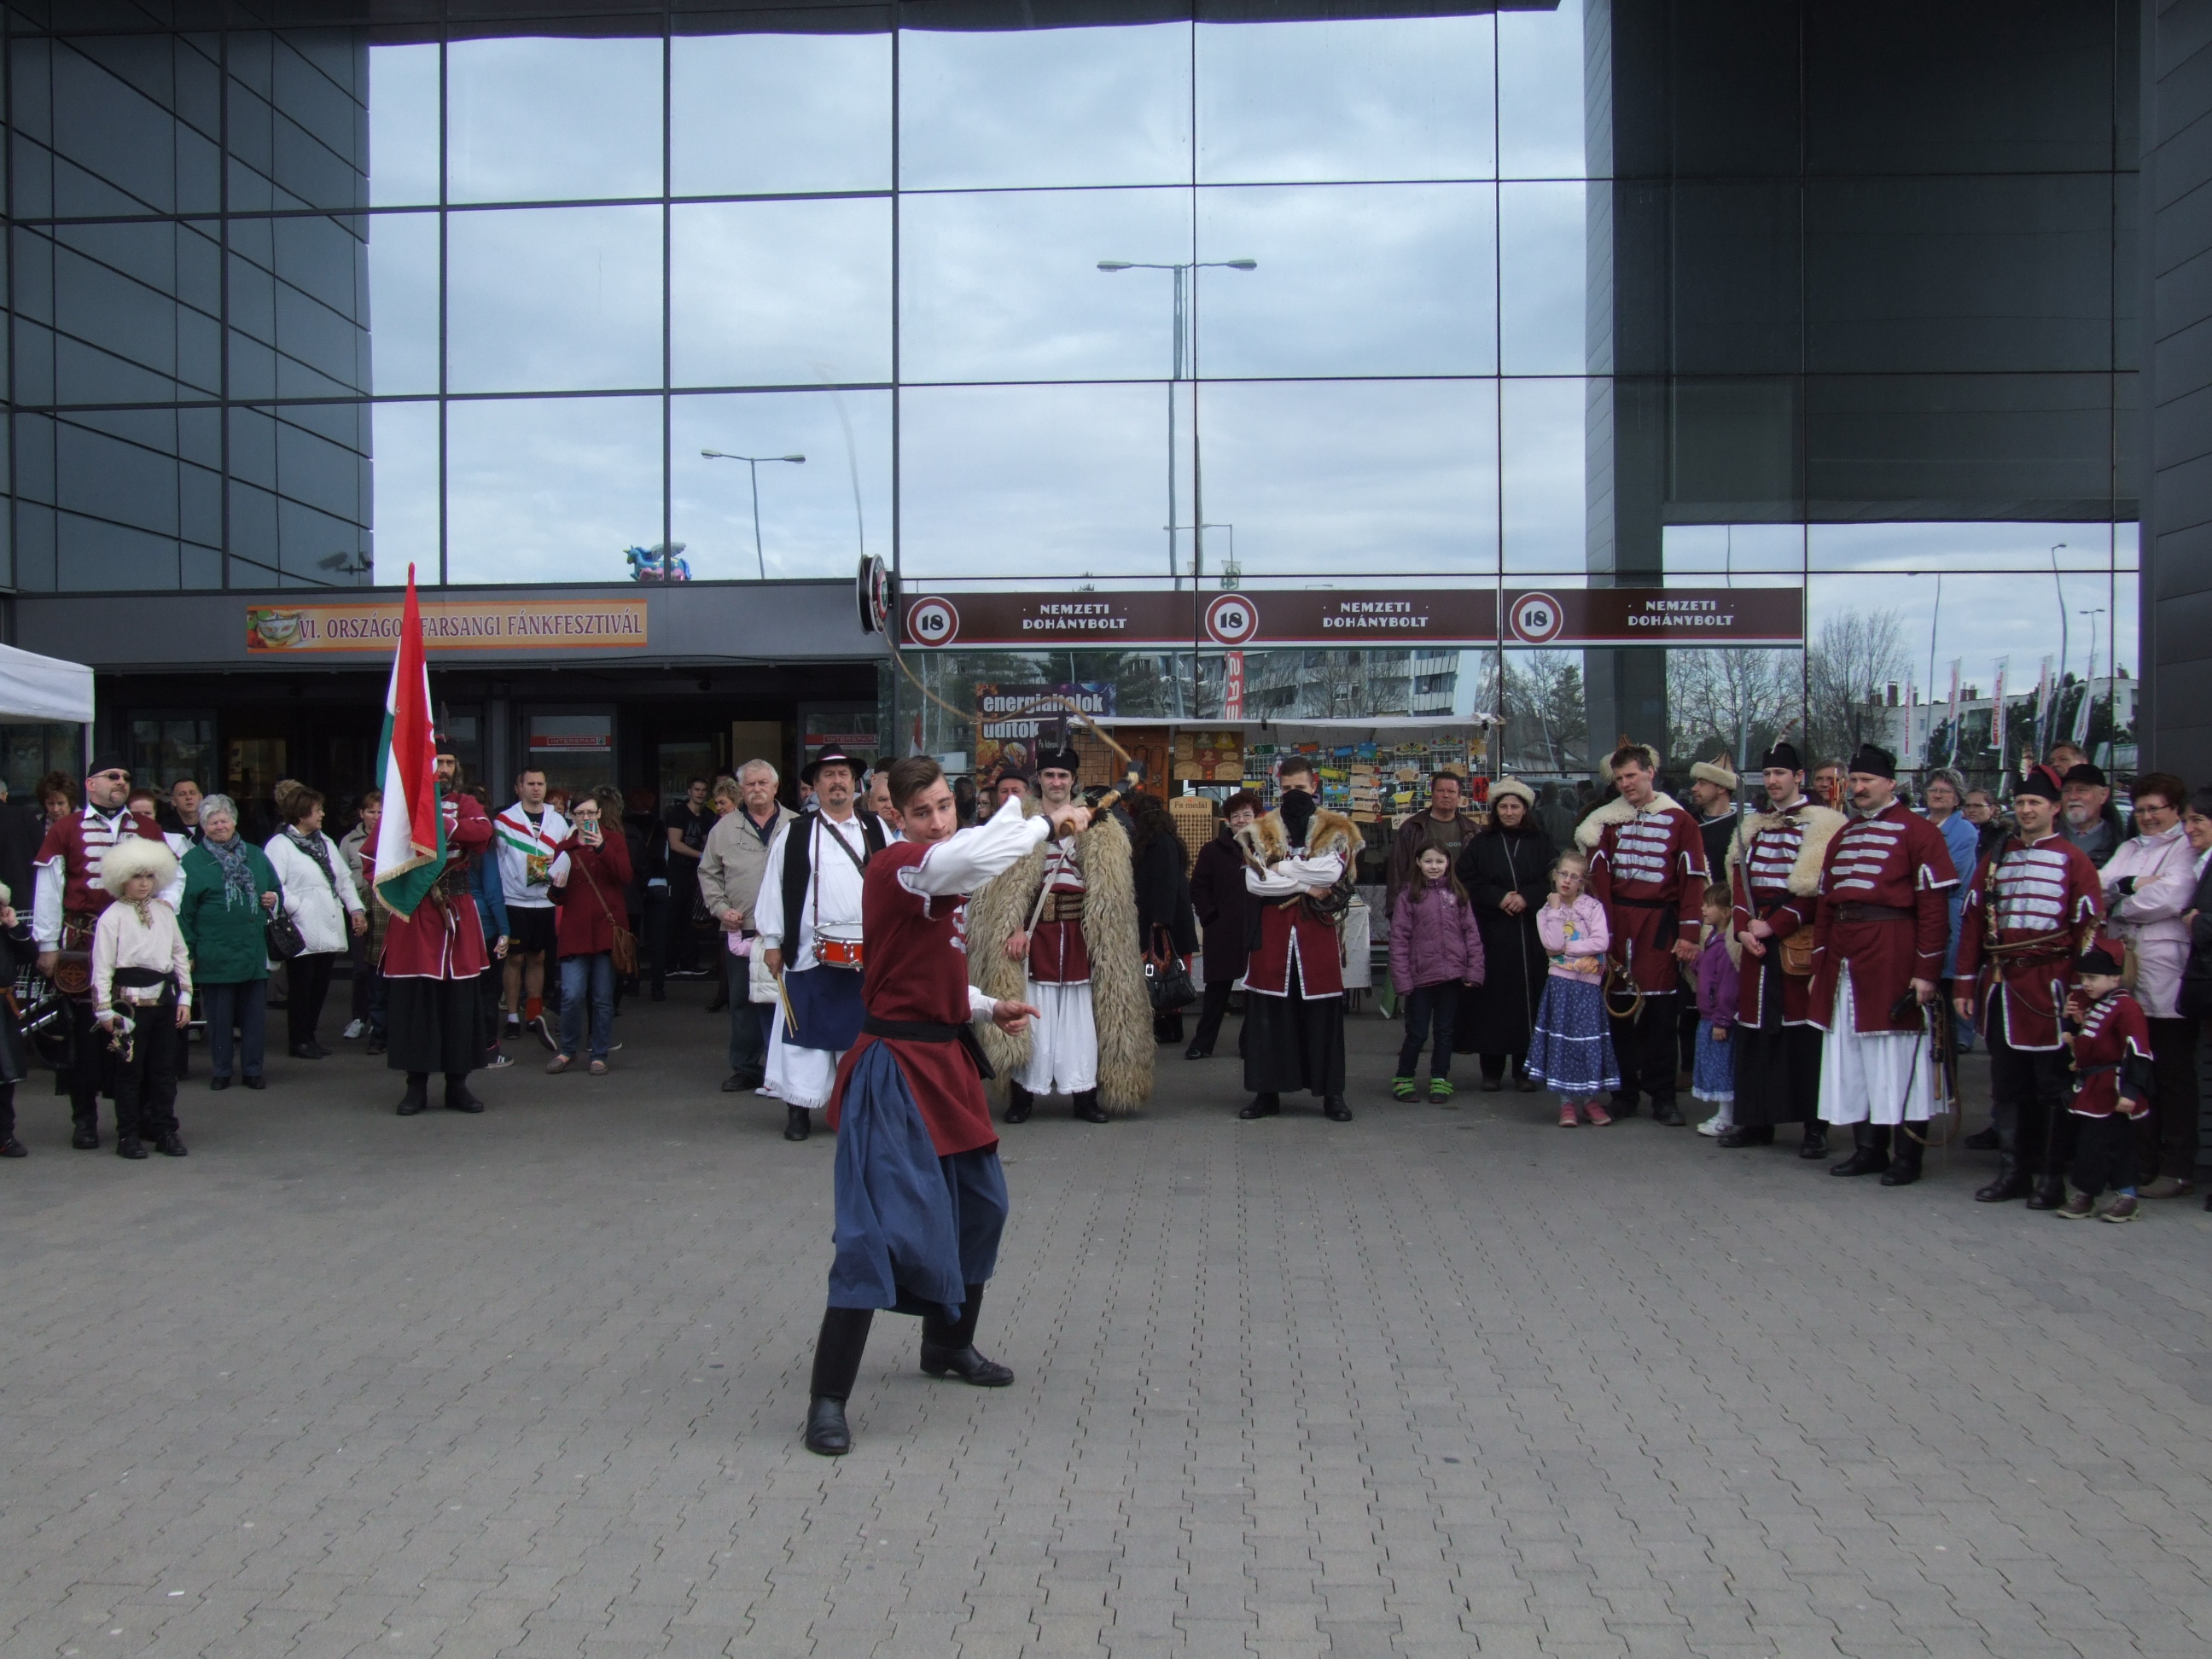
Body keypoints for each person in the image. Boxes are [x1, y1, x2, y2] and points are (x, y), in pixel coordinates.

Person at [800, 760, 1085, 1458]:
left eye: (943, 807)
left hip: (945, 1061)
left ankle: (948, 1345)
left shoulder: (943, 869)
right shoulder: (899, 867)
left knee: (982, 1208)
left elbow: (928, 973)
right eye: (921, 811)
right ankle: (827, 1399)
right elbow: (974, 856)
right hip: (891, 1072)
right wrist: (1047, 823)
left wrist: (986, 1006)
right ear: (895, 816)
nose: (936, 821)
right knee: (873, 1233)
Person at [967, 748, 1150, 1126]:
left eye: (1063, 776)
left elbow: (1112, 891)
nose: (1056, 782)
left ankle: (1084, 1096)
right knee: (1033, 1013)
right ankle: (1023, 1096)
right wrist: (1014, 926)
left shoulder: (1100, 825)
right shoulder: (1021, 824)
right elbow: (1003, 887)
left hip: (1082, 934)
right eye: (1049, 775)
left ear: (1073, 781)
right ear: (1039, 779)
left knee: (1082, 1019)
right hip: (1035, 936)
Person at [1808, 743, 1959, 1189]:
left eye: (1867, 781)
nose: (1858, 788)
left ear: (1891, 783)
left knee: (1897, 1054)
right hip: (1845, 957)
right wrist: (1820, 964)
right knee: (1853, 1054)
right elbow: (1826, 906)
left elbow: (1934, 910)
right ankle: (1868, 1150)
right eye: (1853, 781)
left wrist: (1926, 971)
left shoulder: (1919, 832)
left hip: (1893, 952)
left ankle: (1907, 1156)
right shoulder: (1844, 835)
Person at [1954, 763, 2104, 1205]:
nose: (2026, 810)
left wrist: (2079, 993)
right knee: (2008, 1084)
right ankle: (2014, 1172)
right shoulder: (1996, 858)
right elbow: (1973, 922)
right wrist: (1964, 984)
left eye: (2035, 802)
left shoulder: (2074, 860)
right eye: (2020, 802)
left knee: (2052, 1085)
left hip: (2051, 987)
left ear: (2054, 808)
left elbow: (2088, 933)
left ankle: (2051, 1177)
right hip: (2002, 986)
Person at [33, 755, 172, 1149]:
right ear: (91, 784)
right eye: (113, 776)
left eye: (126, 777)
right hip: (84, 940)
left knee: (138, 1026)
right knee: (84, 1034)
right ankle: (85, 1119)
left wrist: (165, 919)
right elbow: (49, 888)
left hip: (137, 942)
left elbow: (172, 879)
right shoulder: (66, 828)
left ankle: (140, 1116)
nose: (121, 782)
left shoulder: (146, 828)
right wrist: (47, 945)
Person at [1719, 742, 1844, 1155]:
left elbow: (1819, 890)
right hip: (1756, 943)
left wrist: (1775, 925)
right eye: (1768, 774)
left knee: (1804, 1036)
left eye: (1780, 774)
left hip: (1796, 941)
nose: (1772, 781)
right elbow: (1740, 884)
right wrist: (1743, 929)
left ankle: (1814, 1128)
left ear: (1799, 778)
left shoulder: (1824, 825)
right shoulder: (1752, 827)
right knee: (1756, 1035)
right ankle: (1757, 1121)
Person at [756, 748, 888, 1140]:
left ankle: (854, 1110)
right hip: (807, 955)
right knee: (806, 1039)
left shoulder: (877, 829)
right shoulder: (796, 833)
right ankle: (799, 1110)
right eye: (828, 775)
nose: (837, 782)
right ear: (815, 786)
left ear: (855, 783)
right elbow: (774, 888)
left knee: (857, 1037)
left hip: (866, 955)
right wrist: (773, 942)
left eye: (843, 774)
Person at [1580, 741, 1708, 1126]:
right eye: (1619, 778)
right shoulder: (1606, 822)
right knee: (1618, 1013)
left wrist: (1689, 933)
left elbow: (1693, 879)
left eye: (1632, 775)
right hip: (1618, 925)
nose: (1626, 784)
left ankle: (1663, 1097)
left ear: (1650, 772)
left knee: (1662, 1016)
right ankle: (1624, 1094)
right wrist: (1601, 932)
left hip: (1660, 926)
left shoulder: (1681, 822)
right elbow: (1598, 881)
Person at [373, 746, 497, 1117]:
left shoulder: (465, 803)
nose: (443, 769)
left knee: (460, 1003)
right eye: (437, 762)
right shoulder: (400, 809)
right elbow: (374, 857)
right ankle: (416, 1087)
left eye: (448, 763)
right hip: (415, 912)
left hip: (456, 912)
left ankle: (458, 1085)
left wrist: (440, 823)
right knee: (416, 1003)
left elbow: (483, 833)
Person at [1234, 754, 1357, 1121]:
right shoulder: (1260, 828)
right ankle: (1266, 1094)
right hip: (1273, 935)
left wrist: (1282, 867)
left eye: (1300, 788)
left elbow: (1330, 873)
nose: (1293, 794)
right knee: (1268, 1018)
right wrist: (1304, 883)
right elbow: (1256, 882)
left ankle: (1332, 1095)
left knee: (1323, 1018)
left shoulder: (1336, 828)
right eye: (1287, 789)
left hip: (1316, 932)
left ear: (1314, 786)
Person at [2098, 772, 2199, 1198]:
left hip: (2166, 972)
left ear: (2175, 809)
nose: (2147, 817)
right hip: (2128, 970)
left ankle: (2177, 1168)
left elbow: (2172, 898)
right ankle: (2143, 1162)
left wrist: (2121, 904)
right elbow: (2099, 887)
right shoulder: (2130, 847)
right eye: (2140, 810)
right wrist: (2131, 887)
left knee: (2173, 1073)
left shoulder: (2185, 847)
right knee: (2137, 1071)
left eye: (2155, 809)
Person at [89, 837, 192, 1159]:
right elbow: (102, 966)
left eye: (149, 876)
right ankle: (128, 1135)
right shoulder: (112, 917)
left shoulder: (165, 913)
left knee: (164, 1072)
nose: (144, 883)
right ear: (121, 879)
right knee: (129, 1073)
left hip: (164, 1002)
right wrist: (104, 1011)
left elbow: (180, 954)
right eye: (136, 876)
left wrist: (186, 998)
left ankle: (165, 1131)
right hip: (128, 1008)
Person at [699, 758, 795, 1095]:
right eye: (750, 784)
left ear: (775, 786)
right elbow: (708, 872)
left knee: (786, 1001)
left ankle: (787, 1069)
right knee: (742, 1001)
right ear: (741, 789)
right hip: (743, 930)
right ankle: (745, 1067)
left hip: (787, 931)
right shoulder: (724, 829)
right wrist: (720, 909)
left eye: (762, 783)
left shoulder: (796, 824)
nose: (757, 789)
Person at [1454, 777, 1552, 1091]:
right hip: (1492, 932)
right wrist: (1499, 897)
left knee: (1529, 1001)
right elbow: (1465, 879)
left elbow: (1553, 879)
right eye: (1504, 807)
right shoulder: (1482, 843)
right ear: (1496, 810)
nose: (1509, 812)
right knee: (1491, 1002)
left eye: (1515, 806)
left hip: (1531, 934)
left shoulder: (1542, 842)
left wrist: (1527, 897)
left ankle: (1525, 1071)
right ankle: (1491, 1071)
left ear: (1525, 810)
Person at [178, 794, 279, 1091]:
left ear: (234, 822)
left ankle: (253, 1071)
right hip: (214, 952)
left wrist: (273, 898)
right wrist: (188, 951)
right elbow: (184, 912)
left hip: (252, 949)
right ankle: (221, 1071)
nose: (220, 826)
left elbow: (275, 888)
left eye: (224, 820)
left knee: (254, 1019)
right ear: (203, 826)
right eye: (213, 822)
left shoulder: (255, 855)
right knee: (219, 1020)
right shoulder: (192, 862)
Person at [264, 786, 365, 1061]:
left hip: (328, 923)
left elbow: (343, 880)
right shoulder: (280, 845)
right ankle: (298, 1040)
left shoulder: (325, 842)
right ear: (301, 814)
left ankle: (310, 1036)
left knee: (320, 985)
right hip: (301, 926)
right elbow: (275, 884)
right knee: (301, 986)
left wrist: (356, 909)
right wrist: (298, 907)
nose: (322, 814)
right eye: (317, 810)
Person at [2055, 936, 2151, 1221]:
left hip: (2114, 1087)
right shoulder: (2096, 1004)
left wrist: (2131, 1092)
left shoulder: (2127, 1007)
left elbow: (2138, 1052)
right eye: (2084, 977)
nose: (2086, 984)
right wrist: (2073, 1022)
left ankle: (2109, 1195)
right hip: (2093, 1088)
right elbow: (2086, 1045)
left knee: (2104, 1144)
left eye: (2093, 978)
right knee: (2099, 1143)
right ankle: (2110, 1195)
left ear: (2114, 978)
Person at [1388, 843, 1485, 1103]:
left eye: (1439, 861)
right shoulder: (1409, 896)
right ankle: (1404, 1078)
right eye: (1428, 861)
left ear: (1448, 863)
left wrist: (1474, 970)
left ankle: (1440, 1078)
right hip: (1420, 977)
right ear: (1418, 862)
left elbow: (1471, 934)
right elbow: (1399, 939)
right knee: (1417, 1032)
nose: (1434, 867)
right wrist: (1402, 979)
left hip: (1451, 976)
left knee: (1445, 1032)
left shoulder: (1457, 894)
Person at [1527, 849, 1617, 1126]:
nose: (1567, 880)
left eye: (1574, 877)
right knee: (1563, 1042)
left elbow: (1601, 941)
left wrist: (1570, 948)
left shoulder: (1592, 907)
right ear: (1555, 876)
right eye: (1563, 874)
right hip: (1561, 985)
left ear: (1582, 882)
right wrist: (1556, 911)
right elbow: (1552, 944)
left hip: (1588, 986)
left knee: (1588, 1042)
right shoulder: (1545, 912)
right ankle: (1566, 1102)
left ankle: (1590, 1099)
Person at [546, 788, 632, 1075]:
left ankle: (599, 1054)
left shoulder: (614, 841)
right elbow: (556, 897)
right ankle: (568, 1050)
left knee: (602, 998)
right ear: (572, 816)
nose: (586, 818)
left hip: (606, 930)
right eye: (580, 813)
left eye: (591, 813)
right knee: (571, 995)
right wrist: (557, 887)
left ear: (599, 814)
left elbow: (625, 876)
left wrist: (602, 848)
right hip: (575, 931)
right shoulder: (565, 847)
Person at [494, 768, 569, 1046]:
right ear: (519, 788)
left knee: (538, 958)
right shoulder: (504, 820)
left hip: (546, 900)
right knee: (514, 959)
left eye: (540, 784)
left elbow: (568, 856)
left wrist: (556, 860)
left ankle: (533, 1016)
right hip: (514, 900)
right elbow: (496, 860)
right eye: (530, 784)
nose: (536, 788)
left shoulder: (558, 821)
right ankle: (513, 1017)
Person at [1185, 792, 1257, 1062]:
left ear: (1256, 817)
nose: (1241, 820)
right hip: (1222, 930)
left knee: (1256, 991)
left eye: (1247, 814)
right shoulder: (1212, 851)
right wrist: (1210, 916)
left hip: (1258, 930)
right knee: (1217, 992)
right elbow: (1198, 887)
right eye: (1235, 816)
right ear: (1228, 820)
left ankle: (1251, 1044)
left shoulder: (1266, 849)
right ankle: (1202, 1043)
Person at [1129, 792, 1199, 1045]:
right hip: (1168, 919)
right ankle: (1167, 1026)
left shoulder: (1159, 843)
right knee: (1164, 974)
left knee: (1162, 973)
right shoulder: (1167, 841)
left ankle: (1167, 1028)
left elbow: (1165, 882)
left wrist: (1160, 918)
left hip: (1162, 921)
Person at [463, 790, 513, 1071]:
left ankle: (456, 1050)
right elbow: (493, 894)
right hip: (483, 927)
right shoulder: (483, 848)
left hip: (450, 927)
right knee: (487, 993)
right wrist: (505, 931)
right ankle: (488, 1051)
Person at [1385, 769, 1480, 910]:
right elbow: (1397, 872)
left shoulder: (1472, 830)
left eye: (1451, 791)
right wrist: (1395, 911)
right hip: (1420, 904)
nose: (1446, 795)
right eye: (1440, 791)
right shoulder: (1412, 828)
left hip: (1461, 904)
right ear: (1432, 794)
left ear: (1459, 796)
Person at [1690, 882, 1740, 1135]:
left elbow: (1728, 987)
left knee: (1723, 1070)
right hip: (1708, 1016)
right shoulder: (1712, 939)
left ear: (1726, 912)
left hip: (1718, 1019)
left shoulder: (1727, 945)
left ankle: (1726, 1118)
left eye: (1709, 905)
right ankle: (1725, 1115)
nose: (1703, 909)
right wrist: (1695, 960)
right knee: (1715, 1066)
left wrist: (1722, 1020)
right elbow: (1709, 973)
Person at [662, 777, 713, 977]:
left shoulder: (707, 815)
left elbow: (709, 841)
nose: (700, 793)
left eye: (703, 790)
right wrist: (701, 855)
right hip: (677, 873)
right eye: (696, 789)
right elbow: (675, 844)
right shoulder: (678, 813)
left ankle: (689, 963)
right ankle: (668, 964)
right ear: (689, 792)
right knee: (672, 918)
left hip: (697, 874)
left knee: (692, 920)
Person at [0, 884, 29, 1156]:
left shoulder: (7, 933)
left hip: (3, 1008)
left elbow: (30, 955)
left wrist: (14, 926)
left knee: (5, 1076)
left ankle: (4, 1135)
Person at [2059, 761, 2127, 868]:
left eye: (2081, 790)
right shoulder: (2046, 837)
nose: (2073, 797)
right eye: (2067, 790)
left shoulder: (2120, 843)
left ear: (2103, 795)